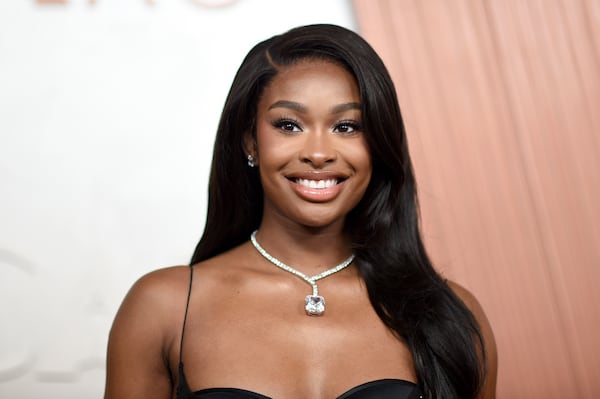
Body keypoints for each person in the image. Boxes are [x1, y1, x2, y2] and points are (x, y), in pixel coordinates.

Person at [104, 24, 497, 399]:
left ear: (378, 143)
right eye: (289, 125)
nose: (319, 153)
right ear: (250, 142)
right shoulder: (165, 307)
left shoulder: (449, 315)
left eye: (347, 127)